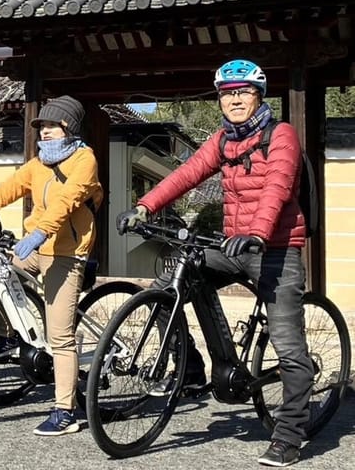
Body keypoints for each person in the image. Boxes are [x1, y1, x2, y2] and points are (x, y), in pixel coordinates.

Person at [117, 59, 313, 467]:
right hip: (233, 246)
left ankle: (290, 434)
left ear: (258, 95)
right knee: (171, 284)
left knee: (289, 346)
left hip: (275, 248)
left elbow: (277, 187)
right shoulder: (223, 139)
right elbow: (187, 173)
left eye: (242, 92)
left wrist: (258, 233)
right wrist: (144, 205)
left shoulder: (282, 135)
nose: (234, 99)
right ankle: (190, 371)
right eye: (227, 93)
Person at [0, 95, 103, 436]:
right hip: (34, 247)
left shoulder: (84, 159)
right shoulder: (37, 164)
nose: (44, 133)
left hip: (66, 252)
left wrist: (41, 232)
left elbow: (67, 199)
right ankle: (11, 333)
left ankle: (65, 411)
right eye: (41, 127)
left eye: (51, 127)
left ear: (68, 128)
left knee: (60, 336)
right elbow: (3, 192)